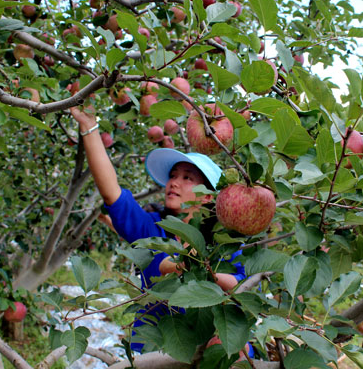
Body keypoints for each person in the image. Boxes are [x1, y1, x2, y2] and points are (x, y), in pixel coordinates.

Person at [70, 106, 248, 354]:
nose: (174, 182)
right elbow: (112, 193)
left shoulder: (224, 243)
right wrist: (89, 126)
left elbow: (247, 286)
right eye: (173, 175)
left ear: (208, 197)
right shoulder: (153, 230)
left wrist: (205, 272)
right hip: (154, 351)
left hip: (209, 352)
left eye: (187, 178)